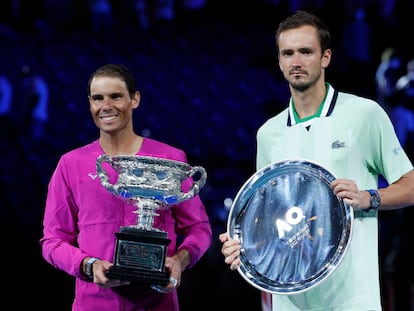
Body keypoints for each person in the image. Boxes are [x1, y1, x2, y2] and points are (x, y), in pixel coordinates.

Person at [219, 10, 414, 311]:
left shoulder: (364, 114)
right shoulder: (268, 134)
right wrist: (244, 248)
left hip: (353, 298)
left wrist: (369, 197)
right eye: (288, 53)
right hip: (290, 300)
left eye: (306, 52)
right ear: (280, 61)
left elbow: (411, 186)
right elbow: (270, 221)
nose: (296, 62)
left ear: (325, 58)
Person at [40, 64, 212, 311]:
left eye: (116, 96)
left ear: (135, 99)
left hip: (156, 303)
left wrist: (179, 261)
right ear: (90, 104)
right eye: (98, 98)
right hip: (93, 303)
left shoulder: (168, 159)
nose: (106, 106)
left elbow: (199, 228)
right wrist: (89, 265)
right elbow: (53, 241)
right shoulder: (71, 164)